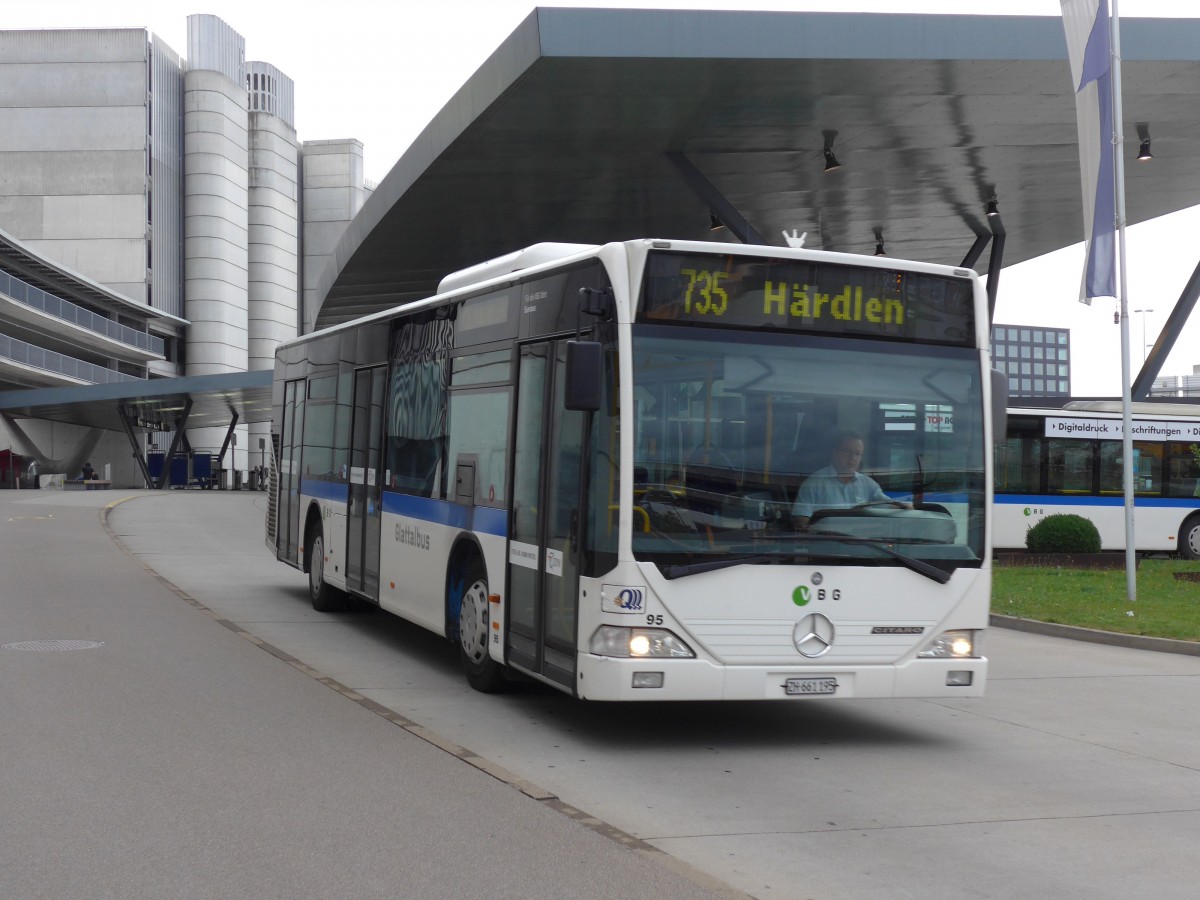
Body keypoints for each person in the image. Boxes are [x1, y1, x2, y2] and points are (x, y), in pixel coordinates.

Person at [791, 430, 906, 529]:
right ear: (834, 452)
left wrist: (905, 508)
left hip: (864, 547)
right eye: (847, 451)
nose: (853, 458)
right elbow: (800, 522)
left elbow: (889, 507)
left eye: (857, 453)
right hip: (826, 548)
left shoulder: (868, 484)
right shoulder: (814, 483)